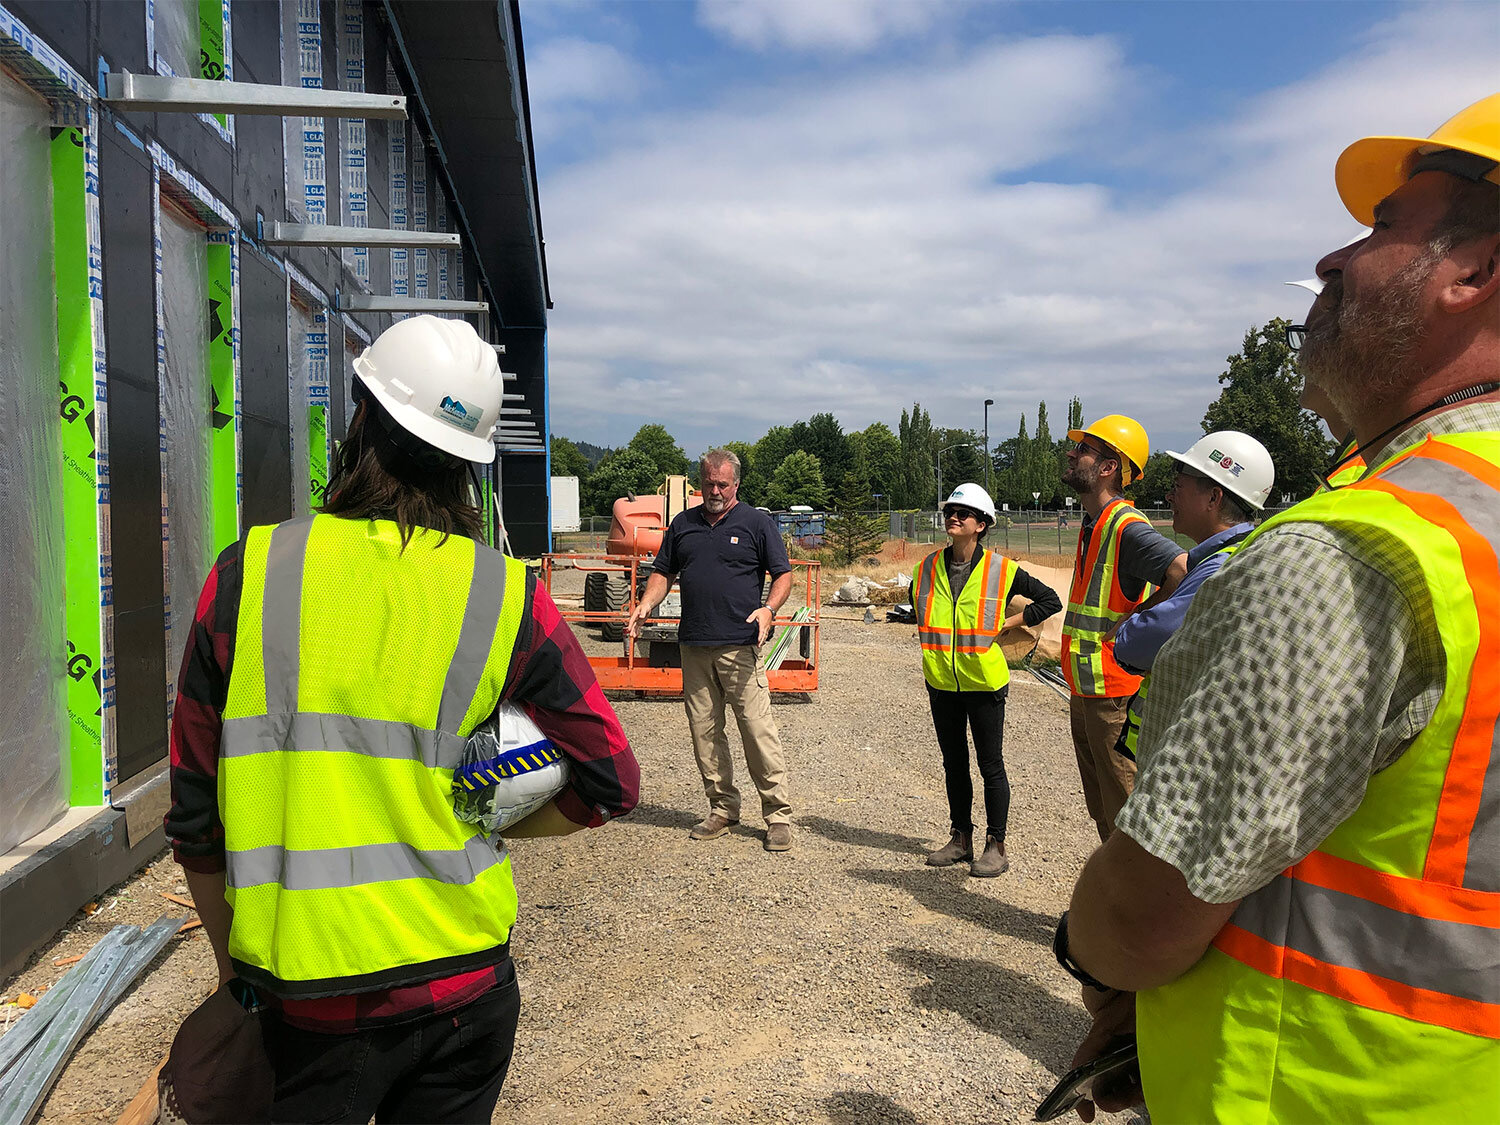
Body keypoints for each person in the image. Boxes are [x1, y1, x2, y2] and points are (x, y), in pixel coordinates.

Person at [1056, 93, 1500, 1123]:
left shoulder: (1358, 554)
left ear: (1479, 272)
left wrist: (1089, 951)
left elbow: (1149, 913)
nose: (1336, 257)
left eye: (1385, 225)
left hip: (1310, 1090)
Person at [164, 315, 640, 1124]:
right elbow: (611, 778)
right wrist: (481, 807)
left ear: (361, 419)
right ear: (470, 464)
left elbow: (195, 812)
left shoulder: (250, 575)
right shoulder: (504, 593)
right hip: (467, 988)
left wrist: (229, 969)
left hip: (307, 1003)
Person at [627, 448, 795, 851]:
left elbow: (783, 574)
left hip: (740, 645)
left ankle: (777, 815)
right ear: (699, 482)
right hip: (695, 645)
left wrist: (769, 609)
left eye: (722, 484)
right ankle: (722, 808)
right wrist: (646, 603)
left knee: (757, 730)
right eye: (708, 484)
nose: (715, 491)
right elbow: (663, 572)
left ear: (736, 483)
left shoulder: (757, 523)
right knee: (704, 732)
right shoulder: (683, 524)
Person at [915, 484, 1062, 876]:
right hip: (941, 681)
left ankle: (996, 845)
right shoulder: (926, 568)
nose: (954, 517)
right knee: (953, 763)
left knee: (990, 765)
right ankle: (960, 837)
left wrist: (1009, 623)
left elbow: (1050, 601)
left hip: (984, 683)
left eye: (963, 513)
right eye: (950, 511)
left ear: (981, 524)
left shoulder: (1001, 569)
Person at [1059, 415, 1187, 842]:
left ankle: (1137, 887)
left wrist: (1140, 617)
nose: (1072, 454)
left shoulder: (1126, 527)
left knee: (1125, 813)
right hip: (1087, 689)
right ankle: (1115, 886)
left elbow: (1183, 570)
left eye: (1085, 449)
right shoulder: (1094, 522)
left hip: (1113, 694)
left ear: (1109, 467)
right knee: (1103, 808)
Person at [1110, 432, 1274, 761]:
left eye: (1178, 486)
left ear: (1213, 498)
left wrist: (1130, 624)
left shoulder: (1219, 568)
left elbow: (1138, 644)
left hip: (1187, 749)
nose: (1169, 496)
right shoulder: (1240, 553)